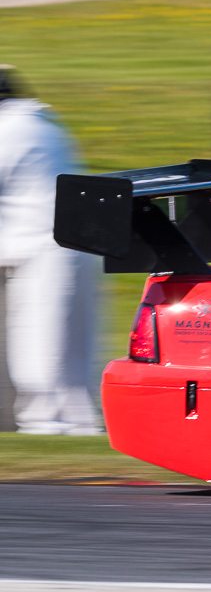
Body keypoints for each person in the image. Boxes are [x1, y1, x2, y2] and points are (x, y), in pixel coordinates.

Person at [0, 67, 101, 434]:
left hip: (43, 253)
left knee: (42, 360)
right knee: (67, 357)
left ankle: (53, 429)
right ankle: (62, 427)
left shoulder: (11, 130)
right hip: (65, 248)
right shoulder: (41, 124)